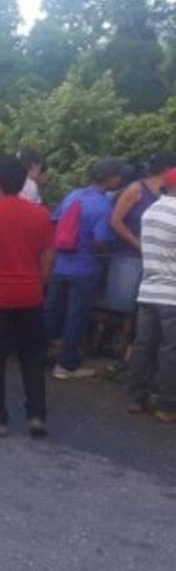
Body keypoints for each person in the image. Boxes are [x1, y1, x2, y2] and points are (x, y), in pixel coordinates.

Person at [0, 156, 55, 439]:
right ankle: (37, 416)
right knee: (32, 358)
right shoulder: (40, 214)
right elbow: (48, 257)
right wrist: (39, 284)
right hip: (30, 295)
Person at [46, 158, 121, 380]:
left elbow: (55, 220)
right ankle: (67, 365)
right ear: (109, 178)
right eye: (117, 175)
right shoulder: (103, 204)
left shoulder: (73, 195)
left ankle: (36, 355)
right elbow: (100, 241)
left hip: (61, 265)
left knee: (51, 313)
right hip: (85, 268)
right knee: (76, 317)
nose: (119, 179)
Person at [102, 154, 176, 354]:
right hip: (130, 256)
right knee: (126, 308)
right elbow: (115, 220)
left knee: (144, 310)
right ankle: (122, 352)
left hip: (155, 259)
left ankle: (134, 356)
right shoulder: (137, 189)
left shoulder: (166, 195)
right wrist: (138, 244)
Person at [127, 167, 176, 423]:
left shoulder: (150, 212)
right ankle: (167, 406)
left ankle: (136, 398)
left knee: (144, 346)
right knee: (171, 351)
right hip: (172, 296)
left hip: (147, 291)